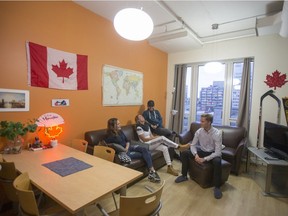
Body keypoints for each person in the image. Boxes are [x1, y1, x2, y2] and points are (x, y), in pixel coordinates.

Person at [175, 113, 223, 199]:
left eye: (202, 121)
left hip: (213, 153)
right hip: (202, 151)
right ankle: (184, 175)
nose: (200, 123)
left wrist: (204, 159)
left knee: (217, 161)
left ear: (209, 122)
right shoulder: (199, 131)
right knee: (185, 152)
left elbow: (218, 152)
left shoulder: (217, 133)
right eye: (201, 121)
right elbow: (193, 145)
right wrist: (196, 155)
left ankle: (217, 187)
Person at [104, 118, 161, 183]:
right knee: (146, 154)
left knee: (144, 149)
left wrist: (127, 147)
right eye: (118, 124)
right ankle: (152, 172)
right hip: (125, 153)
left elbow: (127, 141)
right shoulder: (109, 136)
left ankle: (151, 171)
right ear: (112, 126)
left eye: (119, 123)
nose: (120, 125)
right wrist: (122, 150)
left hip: (129, 147)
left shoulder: (120, 131)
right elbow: (106, 145)